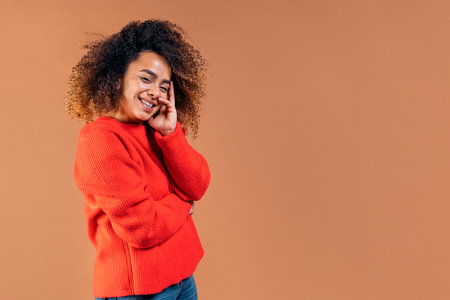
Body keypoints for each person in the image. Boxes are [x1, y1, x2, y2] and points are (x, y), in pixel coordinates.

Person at [64, 19, 211, 300]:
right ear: (117, 77)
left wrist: (171, 133)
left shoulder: (156, 131)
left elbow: (197, 186)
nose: (156, 92)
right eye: (146, 79)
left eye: (164, 86)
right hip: (140, 291)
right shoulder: (100, 139)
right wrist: (182, 204)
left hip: (182, 279)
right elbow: (144, 226)